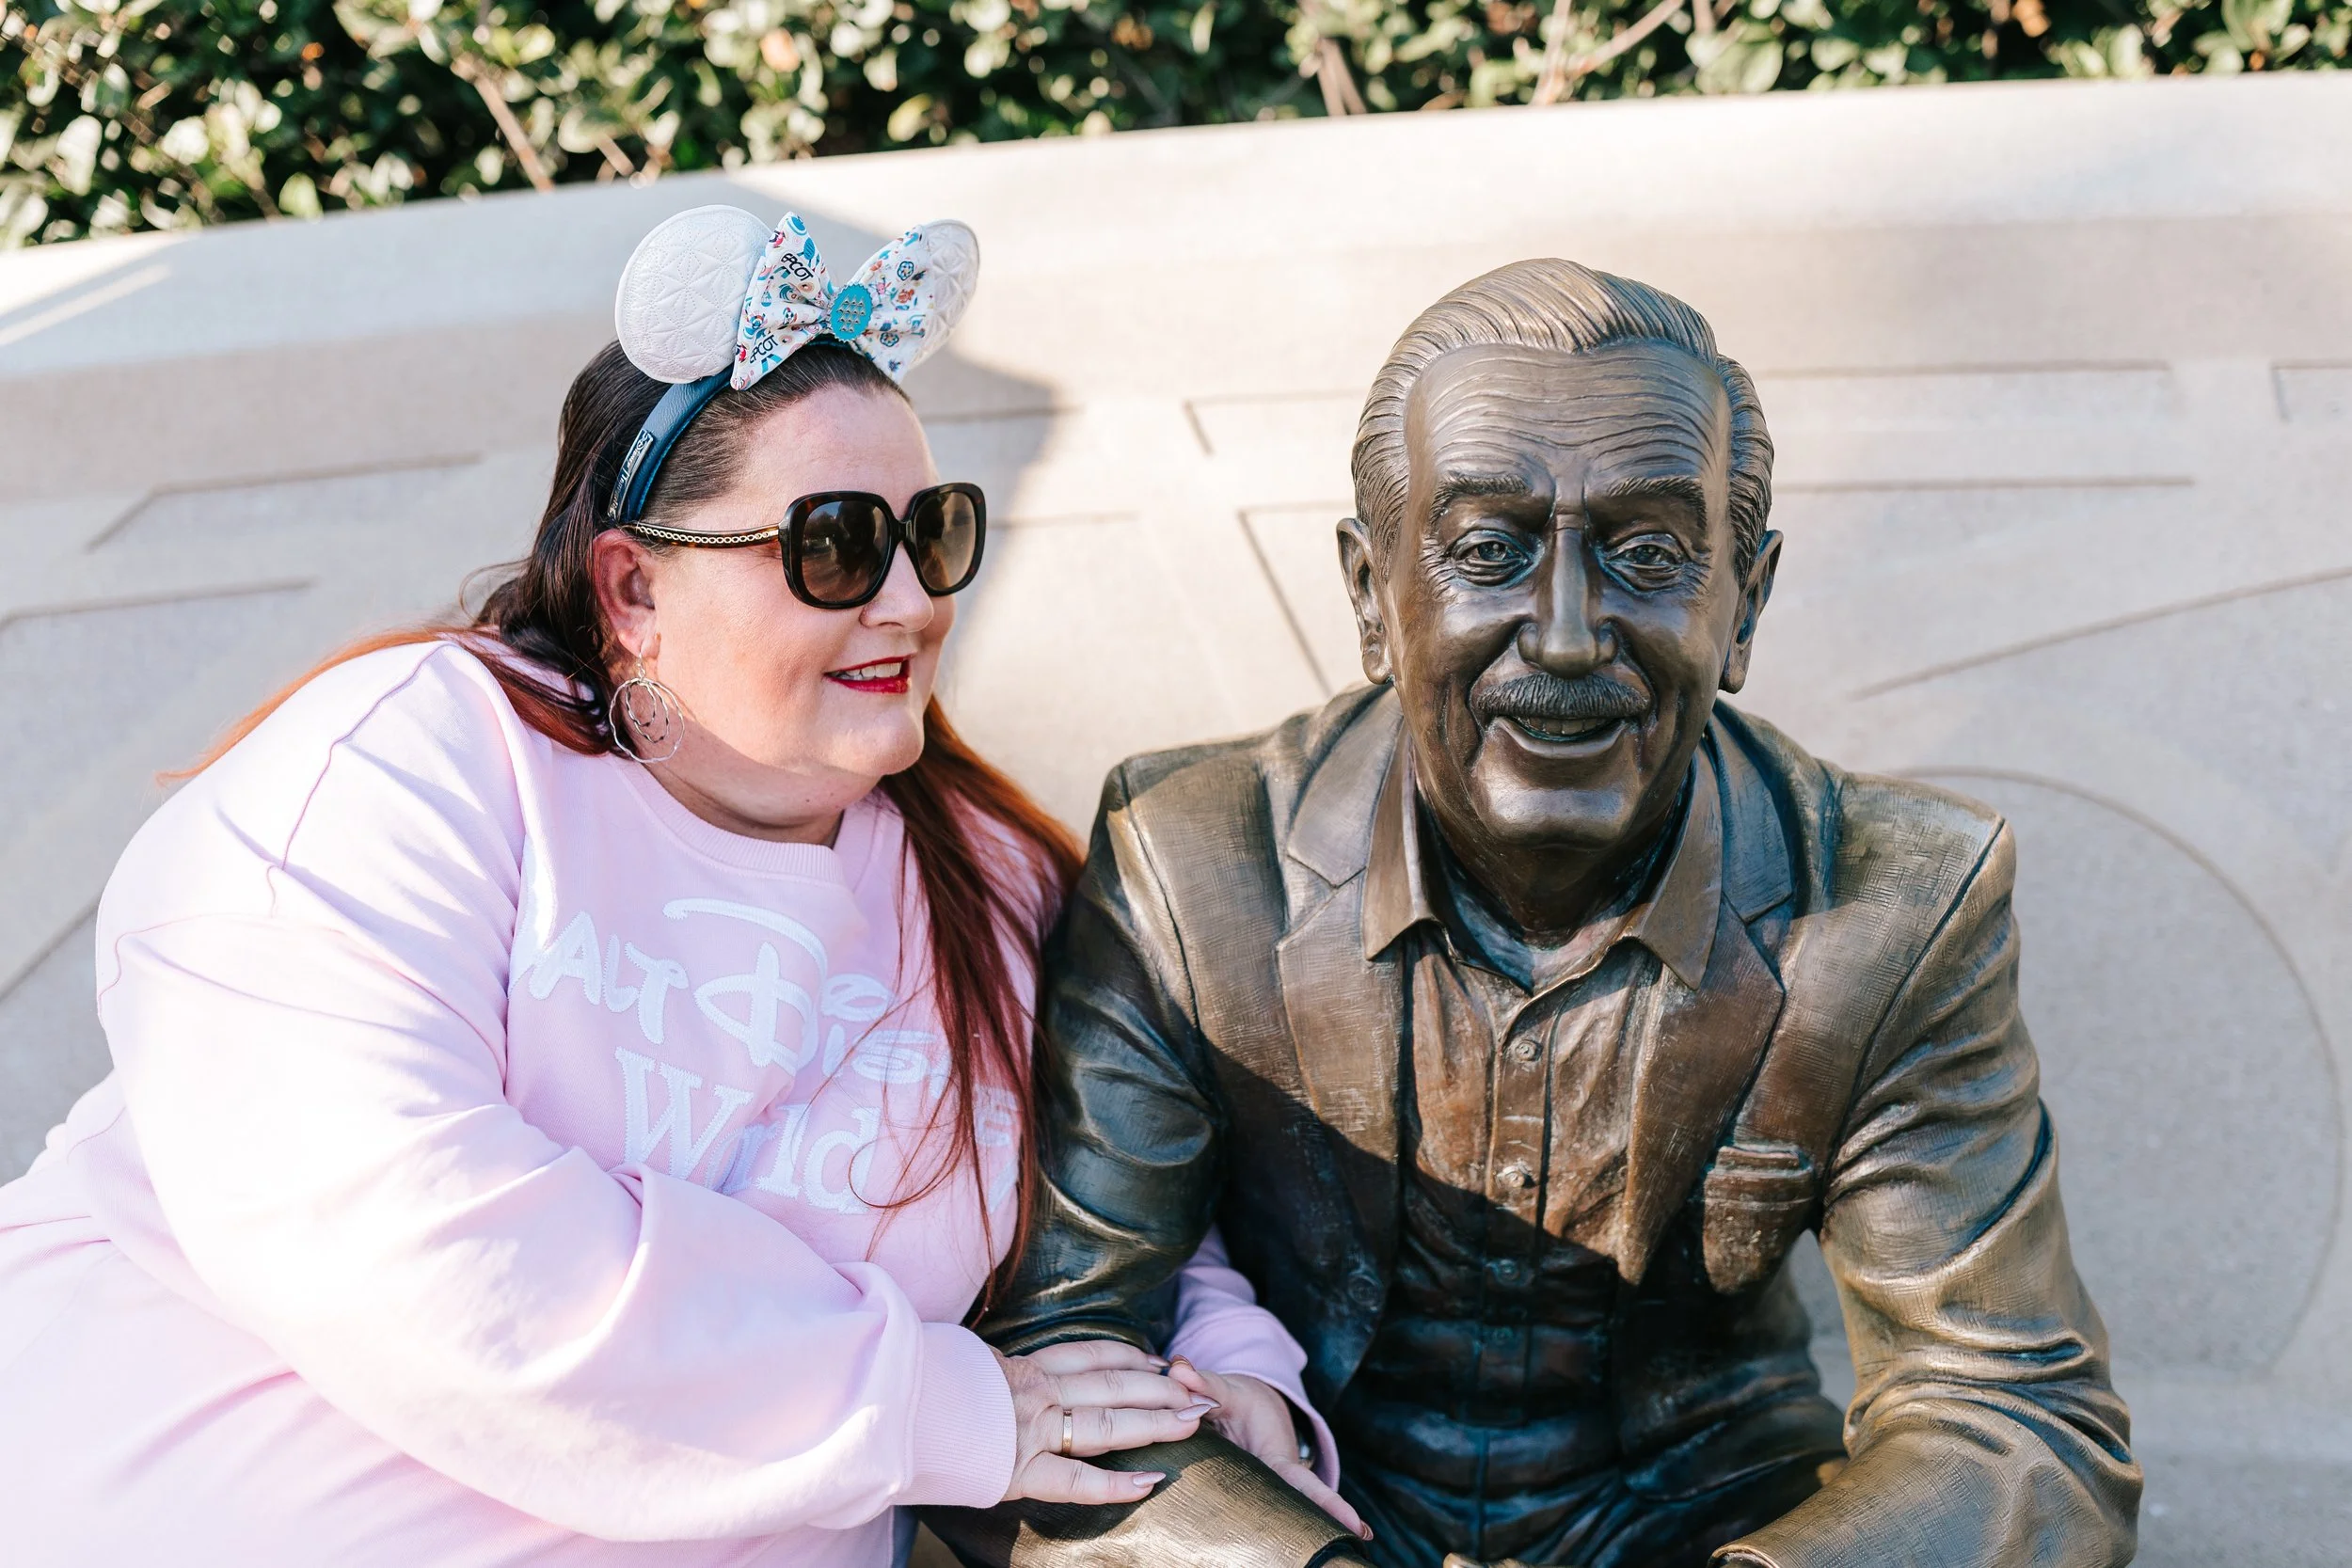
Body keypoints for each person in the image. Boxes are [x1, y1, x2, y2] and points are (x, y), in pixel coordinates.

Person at [0, 207, 1345, 1565]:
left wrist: (1228, 1356)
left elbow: (1132, 1176)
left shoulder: (995, 891)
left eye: (933, 535)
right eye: (831, 544)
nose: (906, 601)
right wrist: (934, 1405)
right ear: (634, 585)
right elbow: (410, 1243)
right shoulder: (415, 765)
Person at [935, 260, 2140, 1568]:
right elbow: (1060, 1354)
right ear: (1371, 596)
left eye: (1651, 553)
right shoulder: (1190, 864)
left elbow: (2017, 1419)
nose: (1567, 634)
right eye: (1488, 550)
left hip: (1722, 1528)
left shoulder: (1898, 902)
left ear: (1746, 603)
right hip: (1311, 1512)